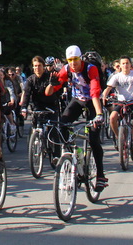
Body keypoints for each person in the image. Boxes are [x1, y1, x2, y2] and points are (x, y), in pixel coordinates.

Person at [46, 45, 107, 192]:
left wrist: (99, 115)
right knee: (62, 125)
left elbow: (94, 92)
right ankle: (67, 154)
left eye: (76, 59)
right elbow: (49, 92)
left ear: (80, 58)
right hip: (77, 100)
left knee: (93, 139)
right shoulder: (66, 69)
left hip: (92, 102)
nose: (73, 63)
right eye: (70, 60)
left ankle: (100, 175)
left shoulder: (90, 68)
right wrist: (51, 84)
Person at [102, 56, 133, 140]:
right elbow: (108, 88)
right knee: (112, 118)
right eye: (123, 63)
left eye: (127, 63)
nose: (125, 65)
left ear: (130, 64)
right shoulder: (116, 76)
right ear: (120, 66)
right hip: (121, 103)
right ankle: (118, 137)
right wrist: (104, 97)